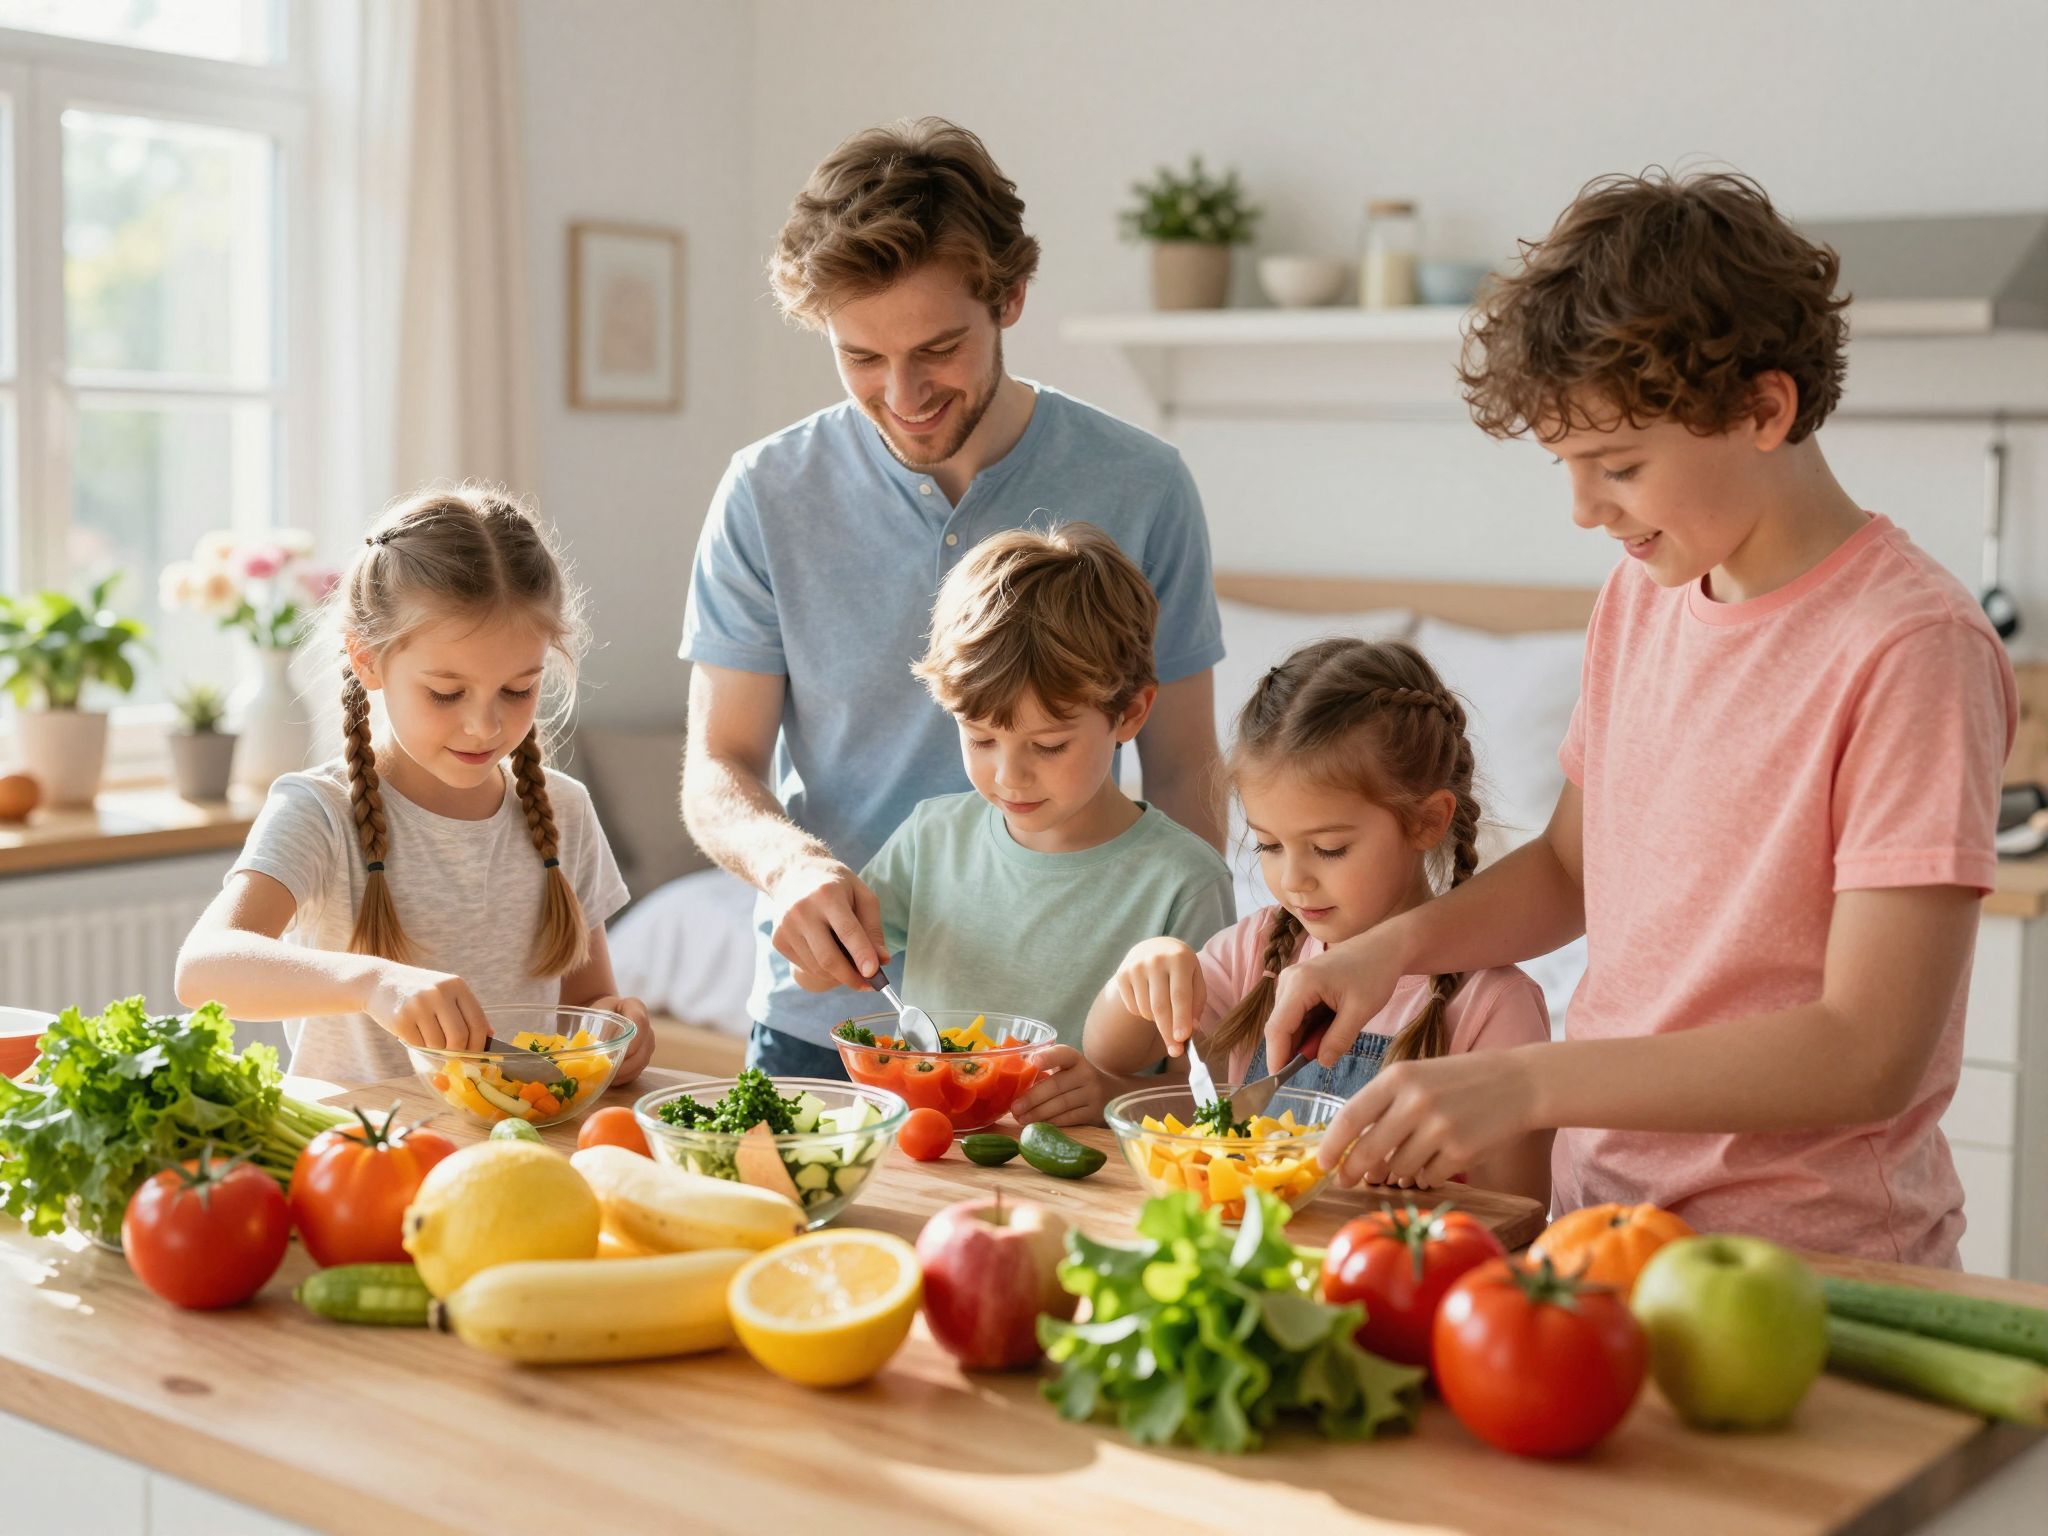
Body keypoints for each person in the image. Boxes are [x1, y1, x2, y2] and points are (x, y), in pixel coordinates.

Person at [1260, 171, 2016, 1265]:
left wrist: (1520, 1081)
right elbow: (1572, 869)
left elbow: (1867, 1050)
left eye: (1616, 466)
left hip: (1810, 1264)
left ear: (1764, 409)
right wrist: (1386, 952)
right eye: (1566, 466)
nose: (1582, 509)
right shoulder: (1643, 596)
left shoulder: (1908, 647)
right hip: (1602, 1226)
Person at [682, 117, 1226, 1077]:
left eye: (938, 348)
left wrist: (1162, 1018)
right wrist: (790, 865)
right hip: (834, 1032)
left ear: (1010, 298)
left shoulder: (1143, 486)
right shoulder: (766, 492)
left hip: (1076, 1053)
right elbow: (720, 765)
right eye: (860, 358)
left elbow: (1182, 771)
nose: (902, 394)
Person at [177, 487, 653, 1089]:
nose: (485, 724)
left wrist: (616, 1027)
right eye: (446, 693)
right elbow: (202, 970)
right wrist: (372, 981)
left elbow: (587, 1006)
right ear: (367, 659)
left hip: (508, 1153)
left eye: (518, 689)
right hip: (358, 1159)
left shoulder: (565, 810)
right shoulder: (319, 812)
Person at [794, 524, 1235, 1125]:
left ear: (1129, 713)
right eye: (980, 739)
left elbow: (1214, 1091)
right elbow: (818, 971)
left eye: (1048, 745)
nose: (1009, 777)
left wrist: (1108, 1090)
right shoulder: (933, 837)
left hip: (1088, 1176)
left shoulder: (1185, 880)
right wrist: (814, 936)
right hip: (936, 1154)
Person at [1086, 638, 1551, 1199]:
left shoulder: (1490, 1003)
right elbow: (1111, 1055)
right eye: (1268, 846)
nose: (1294, 880)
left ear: (1427, 821)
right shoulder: (1254, 952)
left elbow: (1518, 1210)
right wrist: (1140, 972)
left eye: (1329, 849)